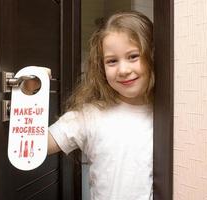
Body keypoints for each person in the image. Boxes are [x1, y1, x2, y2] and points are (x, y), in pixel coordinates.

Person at [38, 10, 154, 200]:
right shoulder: (89, 115)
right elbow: (33, 147)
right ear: (101, 67)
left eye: (133, 56)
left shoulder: (171, 114)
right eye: (112, 61)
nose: (123, 70)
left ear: (152, 56)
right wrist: (32, 94)